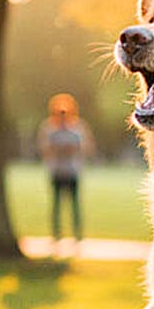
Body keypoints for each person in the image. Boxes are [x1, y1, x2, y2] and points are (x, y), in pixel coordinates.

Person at [37, 93, 95, 242]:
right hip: (57, 171)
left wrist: (70, 150)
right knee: (56, 205)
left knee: (75, 206)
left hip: (72, 171)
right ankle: (56, 235)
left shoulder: (78, 129)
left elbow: (86, 148)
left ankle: (77, 234)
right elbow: (44, 149)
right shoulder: (49, 129)